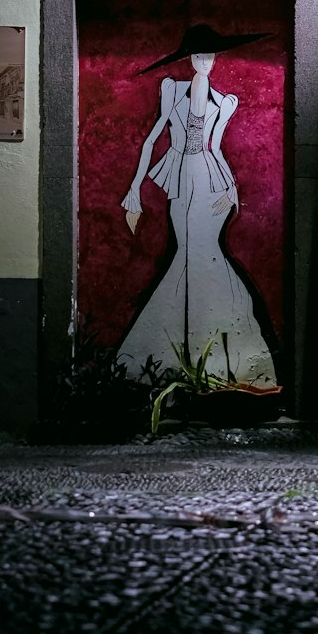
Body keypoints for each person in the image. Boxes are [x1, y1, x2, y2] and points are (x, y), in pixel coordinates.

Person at [117, 23, 280, 393]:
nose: (206, 62)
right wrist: (133, 189)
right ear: (189, 58)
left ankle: (219, 359)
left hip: (212, 184)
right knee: (188, 257)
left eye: (211, 56)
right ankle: (180, 359)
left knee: (205, 255)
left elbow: (216, 150)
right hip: (183, 181)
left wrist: (233, 189)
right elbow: (152, 139)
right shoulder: (172, 90)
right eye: (199, 55)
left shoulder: (225, 102)